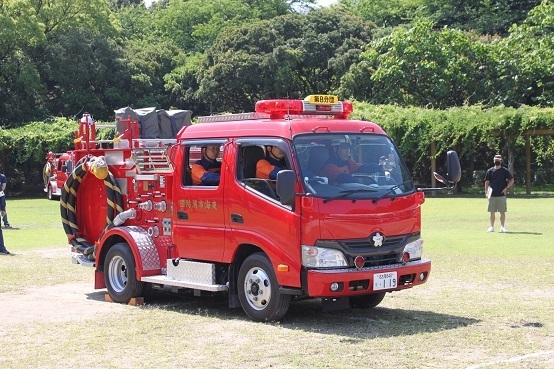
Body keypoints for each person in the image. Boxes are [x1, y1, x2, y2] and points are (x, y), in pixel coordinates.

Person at [319, 142, 383, 185]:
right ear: (335, 149)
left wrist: (382, 167)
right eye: (344, 148)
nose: (347, 152)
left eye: (348, 148)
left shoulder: (348, 162)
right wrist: (365, 188)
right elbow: (347, 179)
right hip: (332, 198)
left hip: (346, 195)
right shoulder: (329, 167)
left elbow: (363, 167)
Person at [484, 154, 514, 233]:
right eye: (495, 160)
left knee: (502, 212)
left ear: (501, 161)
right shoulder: (490, 171)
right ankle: (492, 227)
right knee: (492, 212)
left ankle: (502, 227)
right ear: (494, 161)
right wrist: (486, 192)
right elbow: (487, 182)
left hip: (501, 195)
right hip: (492, 195)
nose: (497, 161)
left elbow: (512, 180)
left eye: (498, 160)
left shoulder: (505, 171)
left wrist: (506, 188)